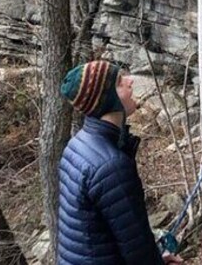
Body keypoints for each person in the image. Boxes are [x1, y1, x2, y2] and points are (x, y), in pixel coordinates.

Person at [58, 60, 183, 264]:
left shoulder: (77, 145)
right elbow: (138, 253)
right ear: (106, 100)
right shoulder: (111, 166)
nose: (129, 81)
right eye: (119, 81)